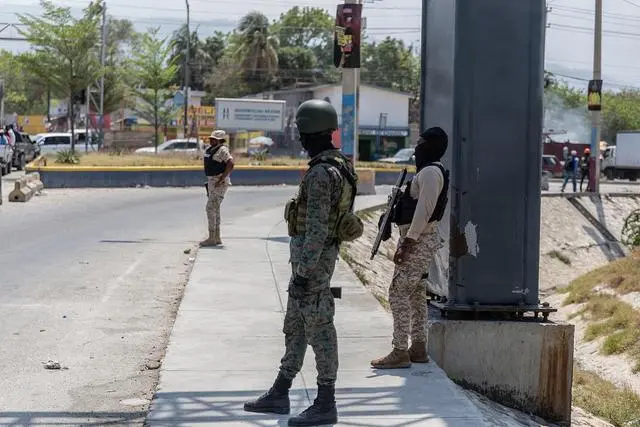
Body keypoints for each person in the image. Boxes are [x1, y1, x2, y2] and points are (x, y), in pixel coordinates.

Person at [244, 99, 362, 426]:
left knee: (320, 330)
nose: (300, 138)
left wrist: (304, 273)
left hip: (312, 267)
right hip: (310, 265)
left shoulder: (322, 174)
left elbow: (316, 229)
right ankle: (280, 391)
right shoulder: (339, 166)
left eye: (301, 131)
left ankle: (326, 403)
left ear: (308, 130)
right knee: (294, 327)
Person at [370, 127, 449, 369]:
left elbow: (424, 211)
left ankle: (400, 350)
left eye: (421, 143)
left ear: (431, 145)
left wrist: (408, 243)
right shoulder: (428, 172)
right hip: (420, 239)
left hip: (419, 241)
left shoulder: (430, 174)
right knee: (415, 295)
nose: (416, 148)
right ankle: (418, 348)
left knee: (397, 293)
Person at [200, 130, 234, 247]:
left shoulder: (222, 150)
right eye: (211, 138)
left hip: (219, 183)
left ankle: (211, 238)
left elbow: (230, 163)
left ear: (220, 140)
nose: (211, 140)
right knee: (215, 209)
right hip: (212, 183)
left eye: (214, 139)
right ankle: (217, 237)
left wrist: (222, 178)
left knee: (210, 208)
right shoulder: (210, 149)